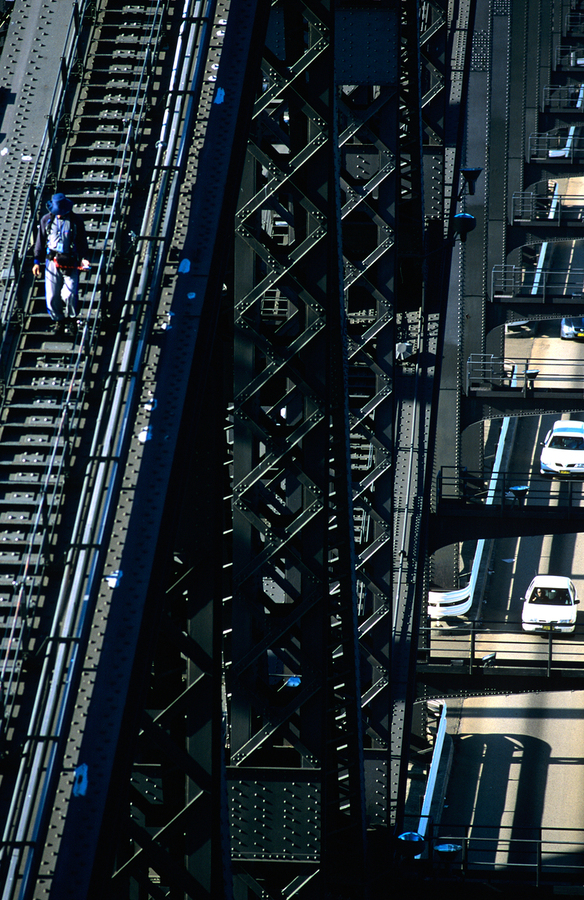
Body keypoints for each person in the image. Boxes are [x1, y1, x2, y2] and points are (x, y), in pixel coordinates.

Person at [32, 193, 90, 335]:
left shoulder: (76, 221)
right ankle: (58, 320)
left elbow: (82, 242)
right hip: (52, 261)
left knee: (69, 294)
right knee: (52, 295)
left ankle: (72, 319)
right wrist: (36, 261)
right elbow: (40, 242)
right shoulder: (46, 220)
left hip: (71, 261)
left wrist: (84, 258)